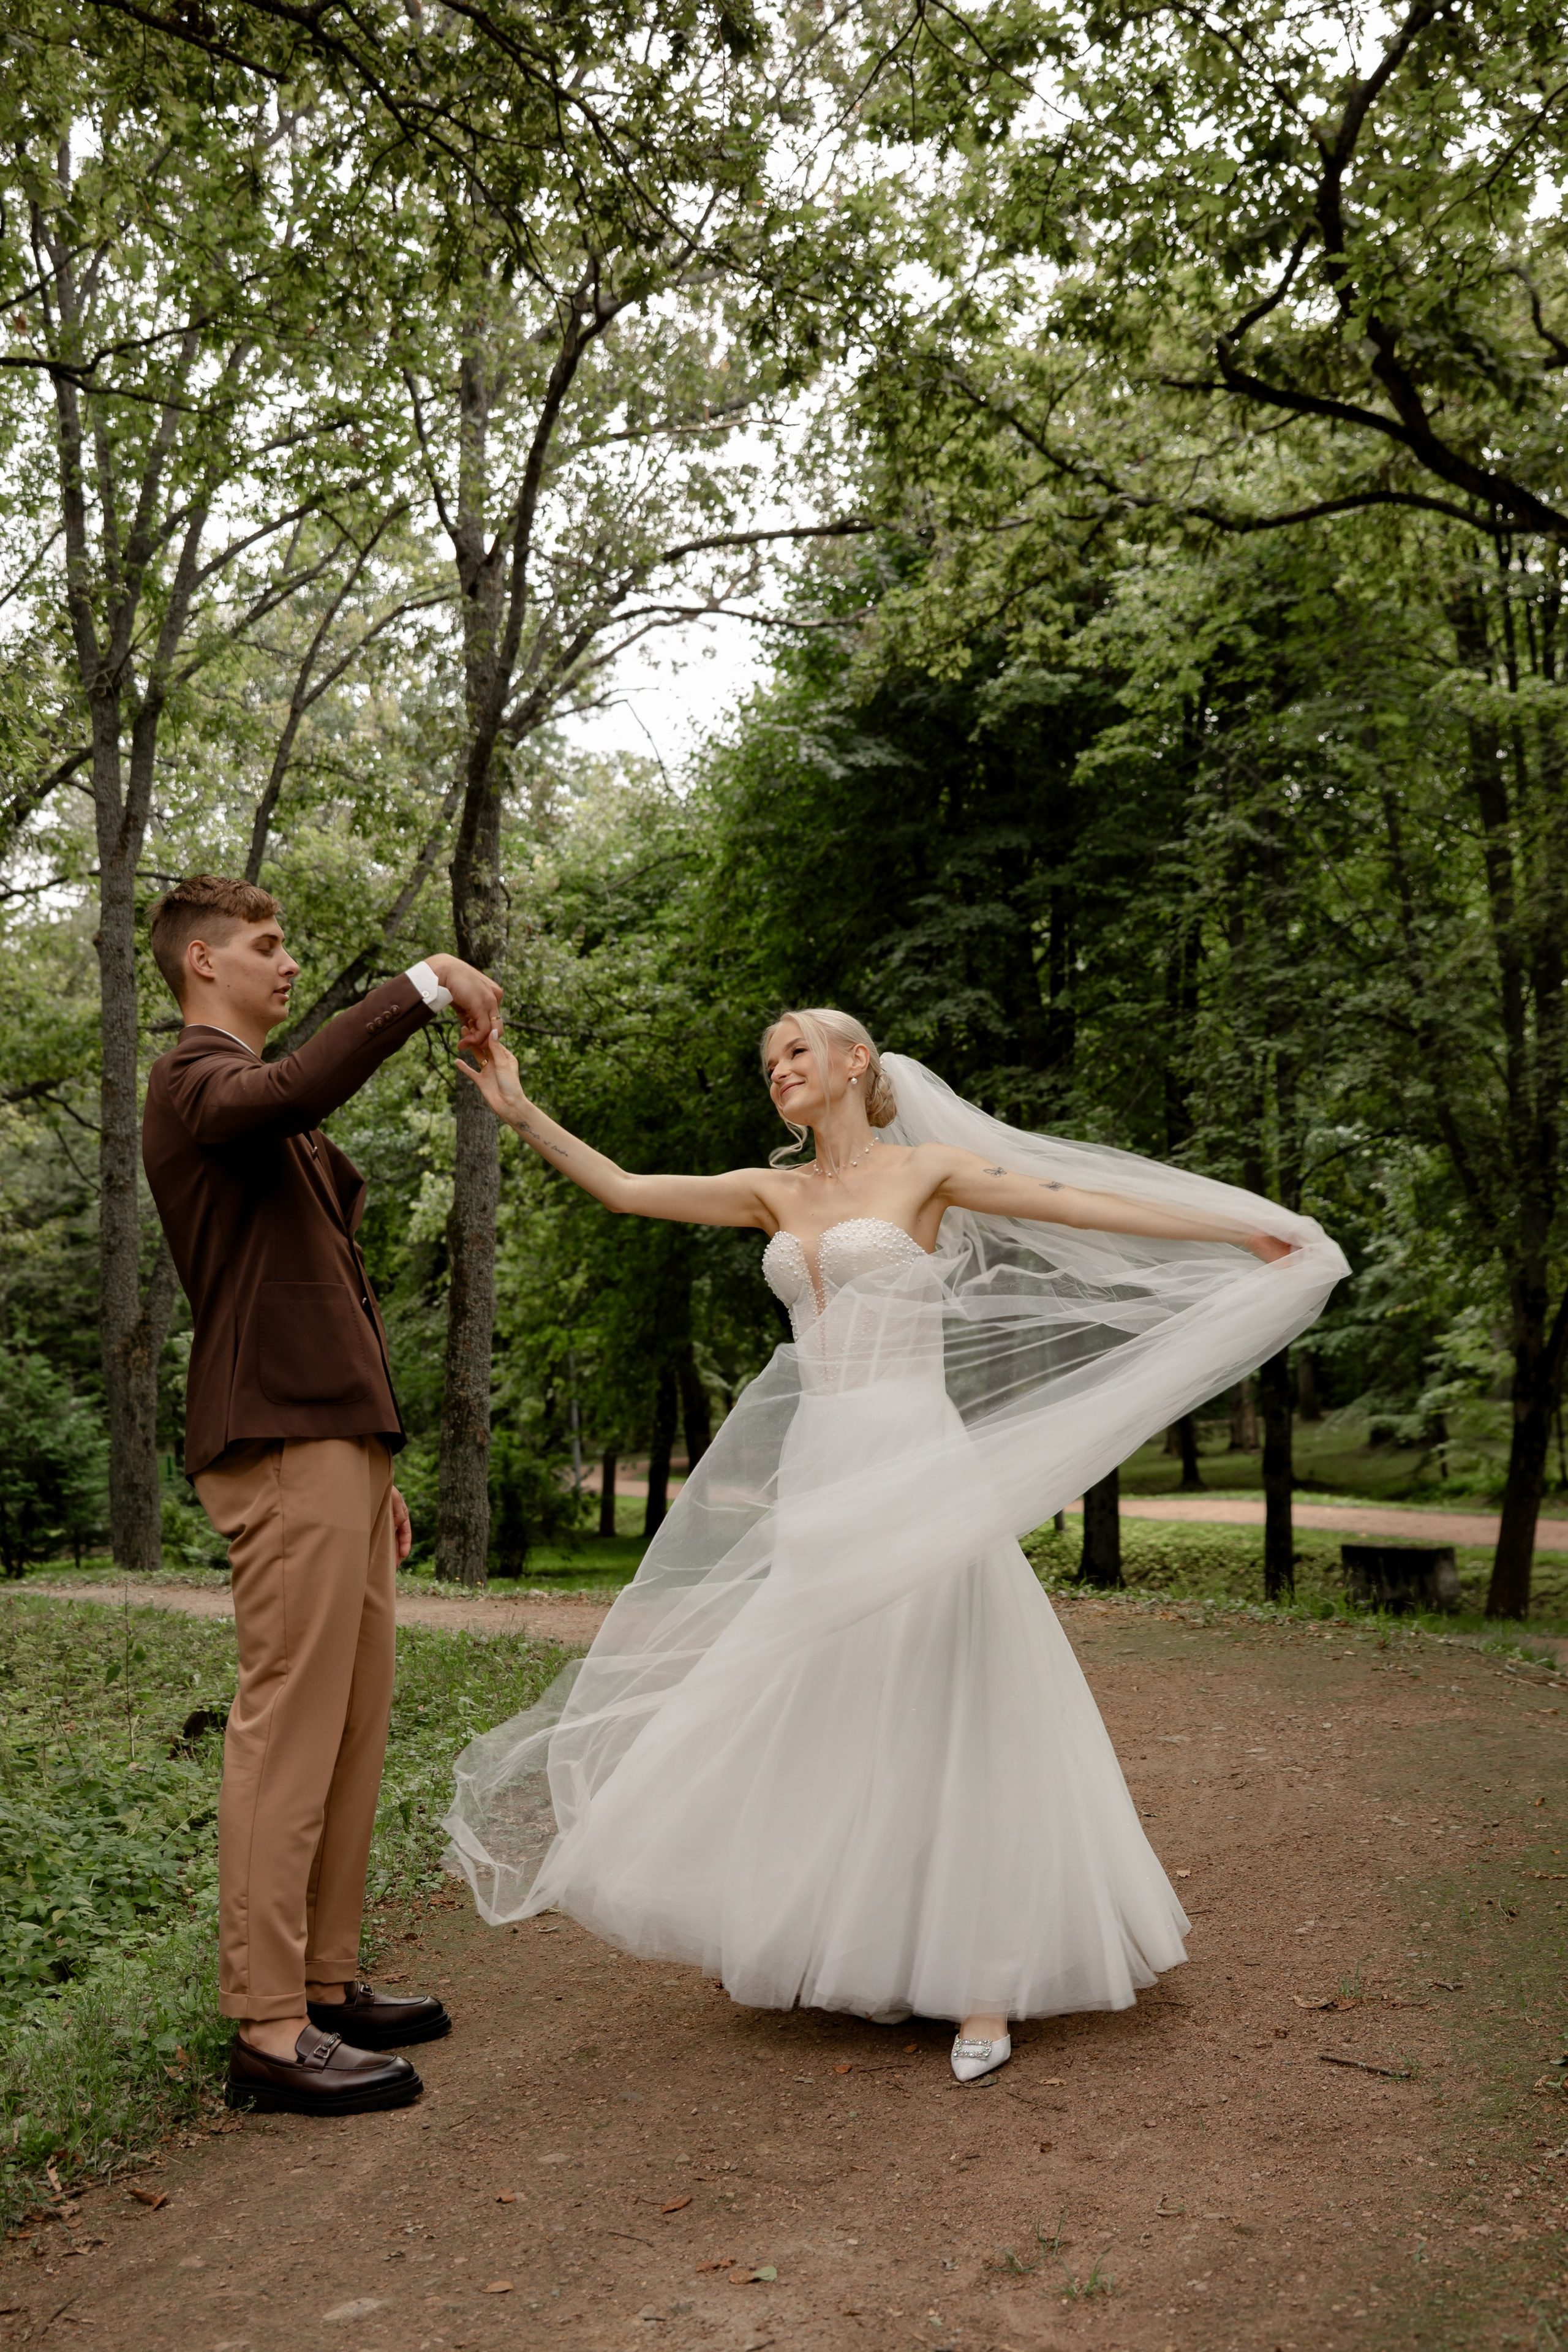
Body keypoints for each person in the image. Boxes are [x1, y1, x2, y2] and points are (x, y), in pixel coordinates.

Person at [445, 1009, 1347, 2081]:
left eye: (795, 1052)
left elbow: (1069, 1201)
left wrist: (1234, 1232)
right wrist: (516, 1106)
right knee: (828, 1699)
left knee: (946, 1700)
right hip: (823, 1470)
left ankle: (985, 1983)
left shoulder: (927, 1174)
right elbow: (629, 1189)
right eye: (767, 1059)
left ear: (854, 1063)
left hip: (917, 1460)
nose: (779, 1070)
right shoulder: (774, 1193)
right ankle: (826, 1928)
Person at [141, 875, 502, 2116]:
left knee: (351, 1726)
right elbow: (291, 1086)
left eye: (287, 942)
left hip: (338, 1442)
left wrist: (377, 1453)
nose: (284, 961)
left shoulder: (257, 1107)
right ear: (201, 962)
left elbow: (326, 1282)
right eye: (266, 943)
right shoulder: (192, 1081)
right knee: (288, 1725)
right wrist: (421, 986)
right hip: (274, 1436)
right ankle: (267, 2021)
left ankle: (328, 1981)